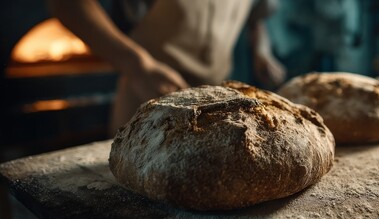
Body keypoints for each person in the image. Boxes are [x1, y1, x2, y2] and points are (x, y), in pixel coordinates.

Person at [47, 0, 286, 135]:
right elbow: (68, 6)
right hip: (148, 98)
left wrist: (261, 51)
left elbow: (257, 17)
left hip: (217, 99)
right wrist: (138, 65)